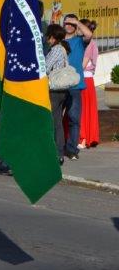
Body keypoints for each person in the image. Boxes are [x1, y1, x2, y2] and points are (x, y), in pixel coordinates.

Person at [61, 14, 92, 160]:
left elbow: (89, 34)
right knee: (54, 118)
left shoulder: (80, 41)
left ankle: (71, 149)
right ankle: (57, 147)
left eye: (72, 24)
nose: (69, 25)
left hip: (75, 86)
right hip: (58, 86)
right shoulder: (57, 41)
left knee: (74, 118)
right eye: (67, 22)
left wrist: (77, 22)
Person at [45, 24, 72, 166]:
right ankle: (58, 152)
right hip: (61, 91)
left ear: (53, 38)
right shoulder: (62, 48)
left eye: (48, 36)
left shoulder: (56, 50)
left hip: (54, 91)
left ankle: (57, 153)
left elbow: (45, 68)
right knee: (57, 122)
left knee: (54, 122)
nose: (47, 39)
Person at [79, 18, 100, 150]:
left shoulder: (89, 44)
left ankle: (84, 138)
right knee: (87, 109)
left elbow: (83, 65)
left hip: (85, 79)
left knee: (83, 110)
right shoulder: (92, 44)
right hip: (88, 79)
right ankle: (88, 137)